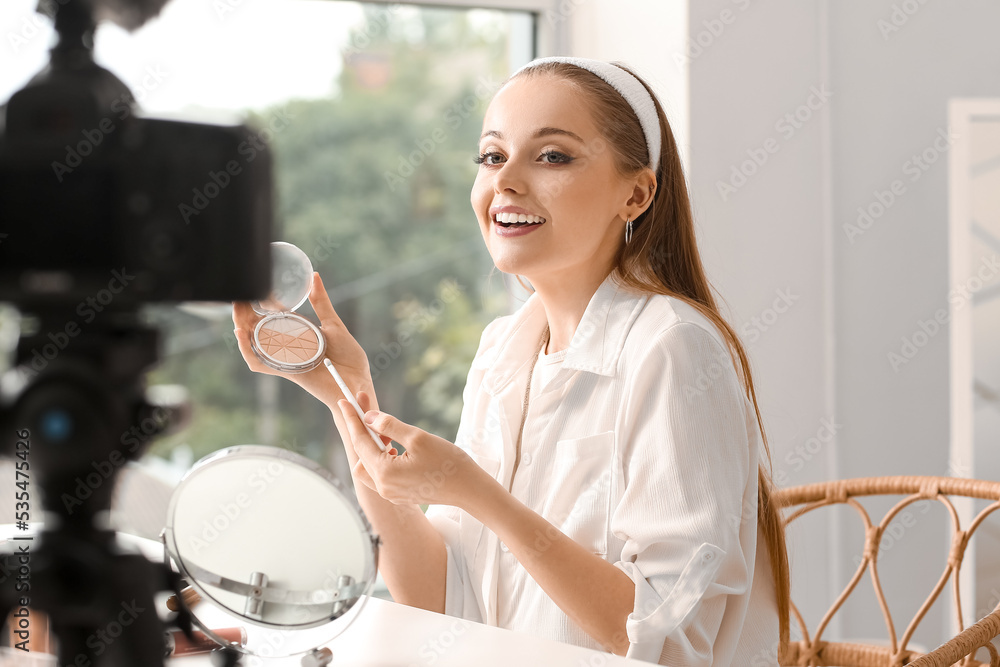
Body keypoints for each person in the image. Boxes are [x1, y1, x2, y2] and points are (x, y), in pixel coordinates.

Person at [233, 56, 790, 666]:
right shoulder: (503, 350)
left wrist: (477, 494)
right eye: (493, 157)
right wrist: (346, 393)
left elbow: (670, 645)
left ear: (636, 193)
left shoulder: (672, 346)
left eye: (552, 156)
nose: (506, 181)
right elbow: (441, 603)